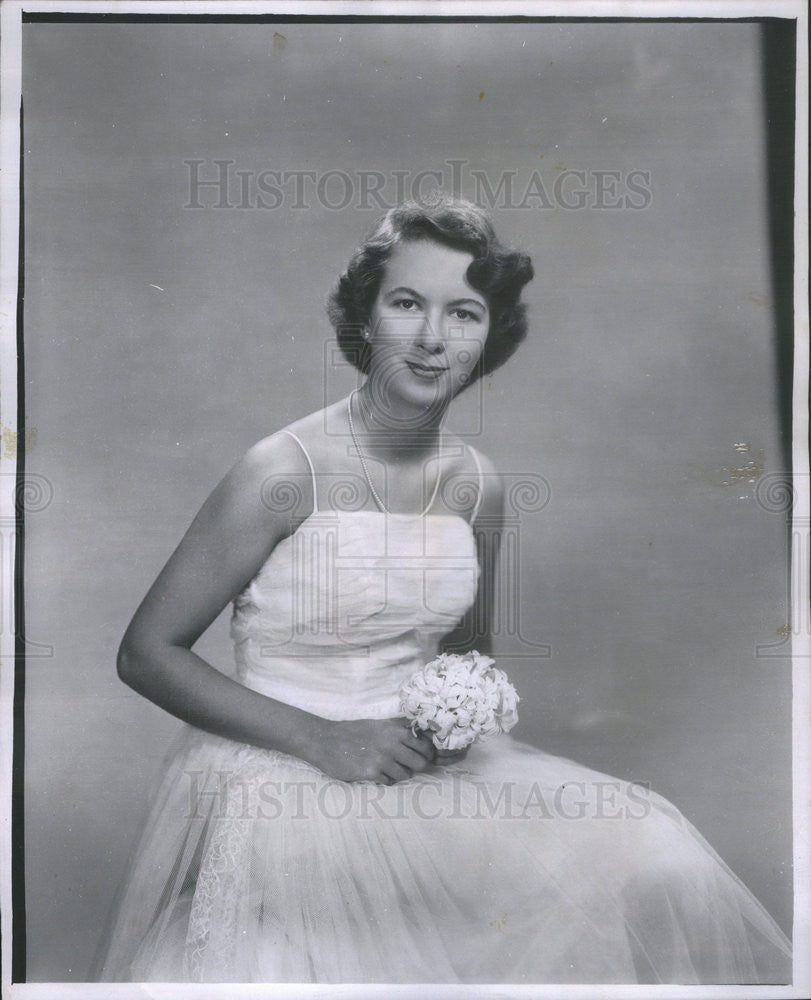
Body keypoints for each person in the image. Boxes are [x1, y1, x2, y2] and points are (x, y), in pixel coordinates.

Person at [97, 197, 791, 983]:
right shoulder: (281, 470)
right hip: (283, 774)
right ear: (363, 319)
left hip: (419, 775)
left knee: (652, 851)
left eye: (462, 313)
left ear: (490, 337)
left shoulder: (476, 486)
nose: (431, 339)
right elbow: (146, 652)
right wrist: (323, 740)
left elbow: (465, 656)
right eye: (405, 304)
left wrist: (453, 721)